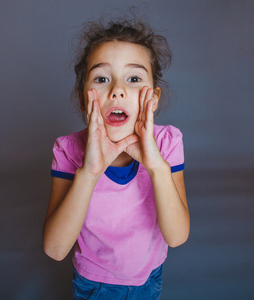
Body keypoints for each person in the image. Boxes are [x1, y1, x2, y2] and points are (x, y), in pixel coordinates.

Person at [43, 15, 190, 300]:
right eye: (101, 78)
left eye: (133, 78)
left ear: (154, 98)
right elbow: (55, 249)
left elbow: (177, 236)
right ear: (85, 97)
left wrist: (157, 167)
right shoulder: (68, 150)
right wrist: (90, 172)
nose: (117, 90)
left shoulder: (167, 143)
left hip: (149, 278)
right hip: (93, 284)